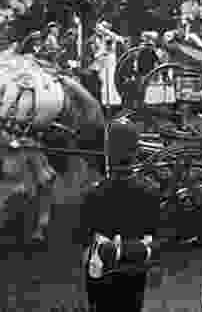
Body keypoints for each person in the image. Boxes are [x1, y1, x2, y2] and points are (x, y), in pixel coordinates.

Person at [77, 121, 162, 312]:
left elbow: (84, 245)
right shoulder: (151, 192)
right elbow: (155, 238)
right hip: (135, 274)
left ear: (108, 154)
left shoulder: (92, 194)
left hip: (103, 277)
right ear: (136, 153)